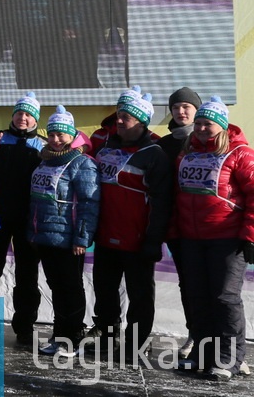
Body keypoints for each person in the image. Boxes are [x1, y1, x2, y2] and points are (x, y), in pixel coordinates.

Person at [173, 97, 254, 380]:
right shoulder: (187, 153)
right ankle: (202, 353)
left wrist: (250, 236)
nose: (202, 129)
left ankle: (229, 359)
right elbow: (178, 195)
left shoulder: (240, 153)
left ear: (221, 126)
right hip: (193, 239)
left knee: (225, 299)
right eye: (199, 124)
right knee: (199, 297)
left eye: (208, 124)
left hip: (227, 239)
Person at [86, 90, 172, 353]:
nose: (119, 121)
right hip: (105, 235)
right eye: (119, 116)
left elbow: (161, 202)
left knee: (140, 295)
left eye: (126, 117)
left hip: (137, 239)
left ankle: (136, 343)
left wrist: (153, 239)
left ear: (141, 121)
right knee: (105, 290)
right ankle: (107, 335)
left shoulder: (154, 154)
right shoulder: (105, 148)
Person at [27, 106, 99, 357]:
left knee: (71, 288)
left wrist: (82, 238)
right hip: (45, 237)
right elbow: (36, 201)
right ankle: (60, 336)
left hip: (69, 240)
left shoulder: (82, 164)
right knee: (56, 287)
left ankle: (73, 336)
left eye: (62, 135)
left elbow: (90, 204)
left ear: (72, 135)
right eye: (53, 134)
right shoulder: (44, 161)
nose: (56, 139)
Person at [0, 91, 46, 346]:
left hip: (29, 219)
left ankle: (25, 326)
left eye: (28, 114)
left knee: (27, 275)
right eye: (19, 113)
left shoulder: (42, 145)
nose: (23, 118)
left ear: (36, 120)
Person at [157, 86, 202, 355]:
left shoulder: (212, 139)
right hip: (177, 226)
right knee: (188, 282)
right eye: (176, 107)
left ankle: (222, 342)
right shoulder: (164, 144)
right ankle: (195, 334)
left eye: (186, 106)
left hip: (209, 228)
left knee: (215, 286)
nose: (181, 111)